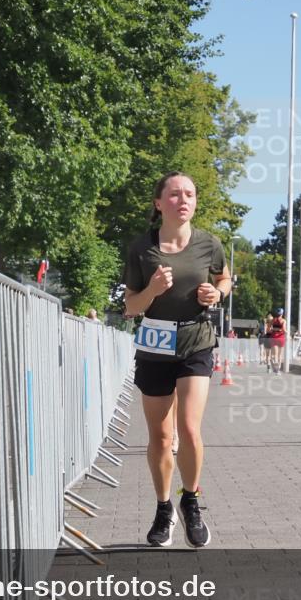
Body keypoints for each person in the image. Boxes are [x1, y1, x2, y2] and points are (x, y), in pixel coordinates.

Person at [123, 171, 231, 548]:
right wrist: (152, 290)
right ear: (158, 203)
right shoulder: (141, 248)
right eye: (174, 194)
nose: (183, 200)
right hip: (154, 341)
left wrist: (216, 294)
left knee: (188, 427)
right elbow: (130, 307)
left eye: (189, 194)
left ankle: (192, 500)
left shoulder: (209, 244)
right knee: (161, 435)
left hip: (195, 339)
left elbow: (225, 279)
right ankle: (163, 507)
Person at [268, 307, 287, 374]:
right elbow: (284, 330)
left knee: (275, 355)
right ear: (282, 314)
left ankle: (274, 367)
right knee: (280, 355)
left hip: (274, 338)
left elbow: (269, 329)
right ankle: (277, 370)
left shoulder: (273, 320)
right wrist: (287, 333)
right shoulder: (284, 321)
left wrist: (273, 330)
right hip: (281, 338)